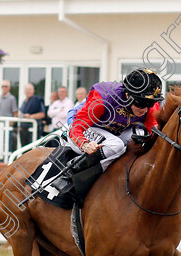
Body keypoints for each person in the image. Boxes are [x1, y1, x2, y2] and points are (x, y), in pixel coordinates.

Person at [67, 69, 164, 203]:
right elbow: (77, 127)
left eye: (150, 104)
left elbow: (153, 129)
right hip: (84, 127)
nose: (145, 109)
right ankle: (78, 170)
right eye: (141, 103)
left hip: (116, 130)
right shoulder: (103, 99)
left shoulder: (148, 105)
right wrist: (84, 143)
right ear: (127, 95)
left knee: (141, 138)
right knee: (116, 145)